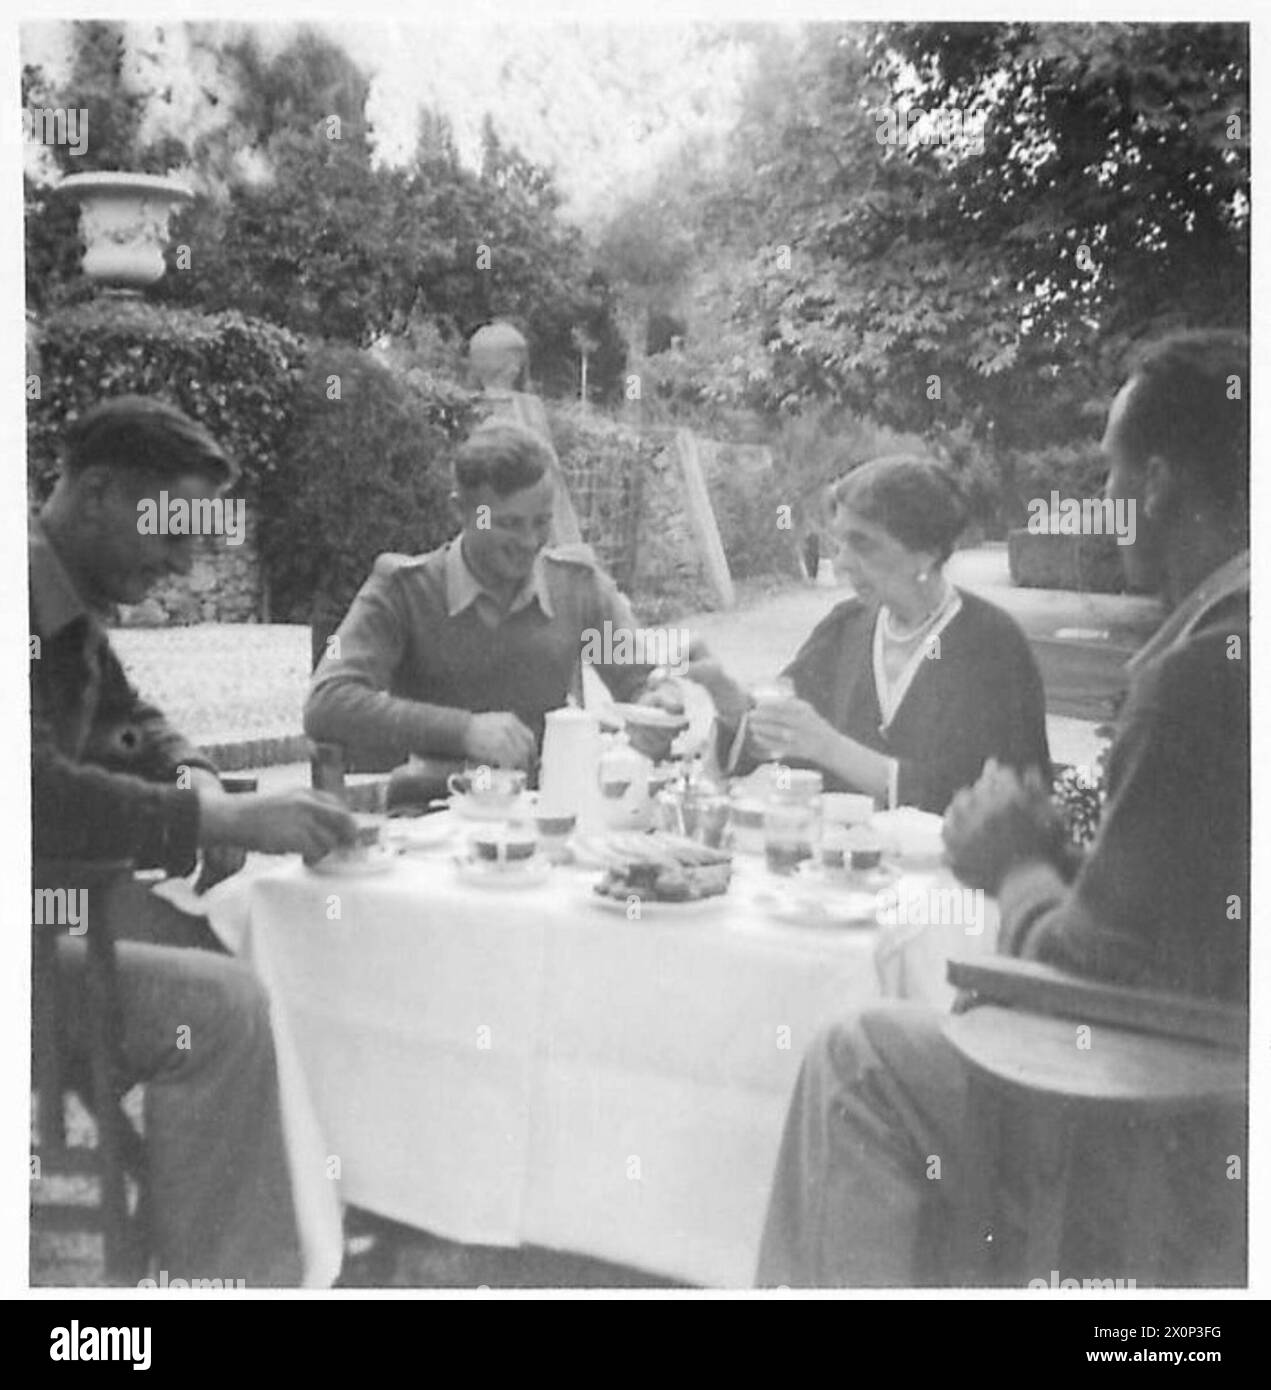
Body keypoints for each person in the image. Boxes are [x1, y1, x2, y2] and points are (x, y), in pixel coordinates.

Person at [755, 328, 1249, 1287]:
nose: (1104, 505)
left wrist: (1015, 865)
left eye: (1109, 478)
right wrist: (1064, 857)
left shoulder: (1201, 671)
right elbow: (1176, 911)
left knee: (859, 1056)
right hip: (1214, 1067)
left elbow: (1090, 968)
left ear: (1156, 482)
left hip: (1175, 1117)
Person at [31, 395, 359, 1286]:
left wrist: (197, 779)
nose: (183, 561)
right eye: (170, 530)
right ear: (96, 493)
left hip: (48, 915)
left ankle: (326, 1209)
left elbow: (139, 725)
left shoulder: (59, 605)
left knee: (223, 941)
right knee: (216, 1010)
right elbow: (36, 794)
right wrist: (216, 820)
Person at [304, 420, 690, 779]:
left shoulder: (578, 588)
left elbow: (640, 682)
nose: (528, 542)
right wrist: (464, 731)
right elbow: (327, 702)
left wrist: (660, 702)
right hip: (431, 822)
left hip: (552, 815)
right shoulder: (404, 591)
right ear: (463, 511)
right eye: (507, 523)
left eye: (541, 522)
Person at [690, 456, 1049, 812]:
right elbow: (781, 740)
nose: (842, 563)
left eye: (863, 544)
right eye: (840, 543)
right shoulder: (845, 628)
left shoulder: (990, 645)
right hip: (838, 861)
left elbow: (995, 802)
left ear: (924, 555)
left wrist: (831, 747)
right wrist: (729, 701)